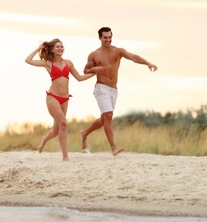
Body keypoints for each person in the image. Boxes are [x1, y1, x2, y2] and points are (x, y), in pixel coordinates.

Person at [81, 27, 158, 156]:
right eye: (105, 37)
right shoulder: (94, 54)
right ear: (100, 38)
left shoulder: (118, 51)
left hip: (113, 90)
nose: (108, 40)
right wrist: (95, 69)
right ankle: (113, 148)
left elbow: (133, 57)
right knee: (109, 116)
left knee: (104, 119)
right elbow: (85, 70)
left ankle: (85, 133)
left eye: (109, 37)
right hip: (101, 88)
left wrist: (148, 63)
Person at [25, 39, 96, 162]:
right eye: (57, 47)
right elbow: (28, 60)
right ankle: (65, 156)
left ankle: (43, 141)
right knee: (63, 123)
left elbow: (79, 78)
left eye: (61, 46)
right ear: (52, 49)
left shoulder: (68, 63)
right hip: (53, 97)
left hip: (65, 98)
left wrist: (96, 73)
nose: (60, 48)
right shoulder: (48, 63)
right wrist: (38, 48)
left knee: (56, 130)